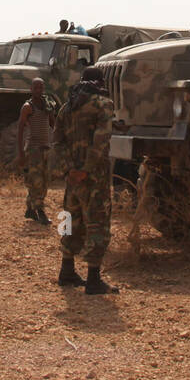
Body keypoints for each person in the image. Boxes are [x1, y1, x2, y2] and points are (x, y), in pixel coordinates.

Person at [54, 66, 121, 294]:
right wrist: (86, 169)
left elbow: (58, 142)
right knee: (97, 223)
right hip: (94, 177)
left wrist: (69, 170)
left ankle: (67, 271)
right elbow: (101, 141)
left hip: (72, 179)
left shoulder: (67, 107)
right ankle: (93, 279)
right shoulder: (103, 104)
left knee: (70, 221)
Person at [17, 78, 55, 225]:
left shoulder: (47, 105)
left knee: (43, 181)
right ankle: (40, 211)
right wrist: (21, 153)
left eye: (41, 88)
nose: (39, 90)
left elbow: (52, 123)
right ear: (31, 89)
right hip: (33, 150)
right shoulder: (28, 107)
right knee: (37, 182)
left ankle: (30, 209)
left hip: (45, 148)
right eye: (36, 88)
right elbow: (20, 129)